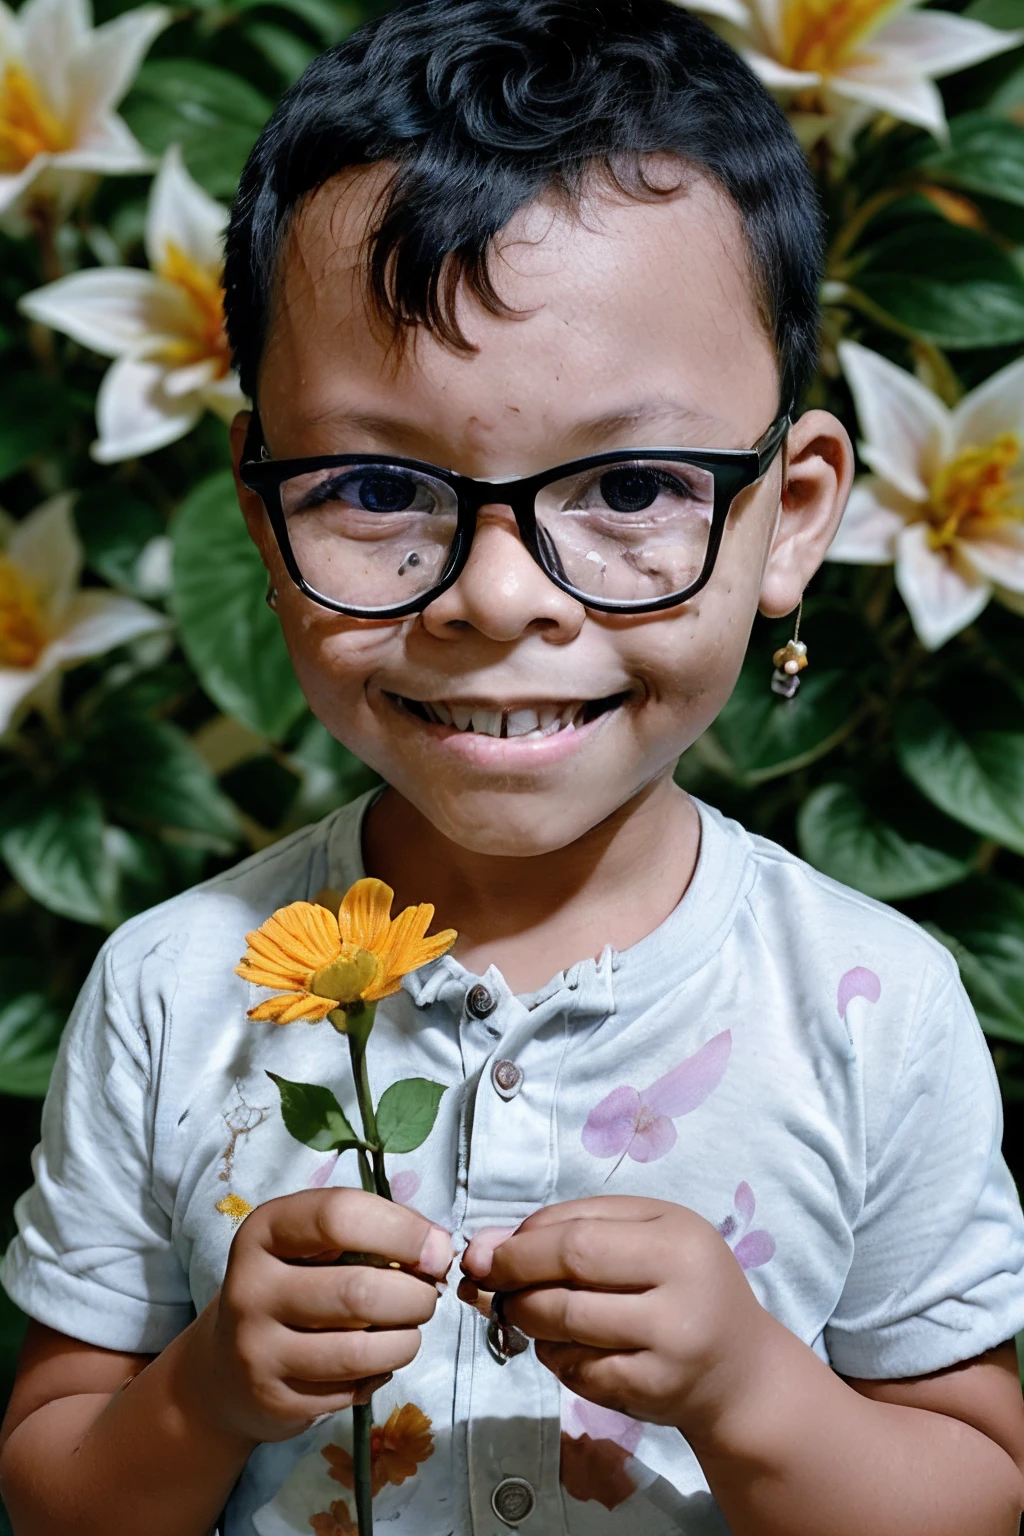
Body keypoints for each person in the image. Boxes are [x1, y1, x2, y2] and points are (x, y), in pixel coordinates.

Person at [3, 0, 1024, 1532]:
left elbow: (971, 1493)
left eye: (630, 484)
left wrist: (753, 1387)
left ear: (793, 514)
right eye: (371, 485)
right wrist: (203, 1387)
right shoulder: (168, 995)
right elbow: (54, 1489)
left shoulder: (871, 1010)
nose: (495, 596)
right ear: (259, 507)